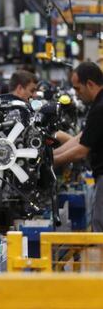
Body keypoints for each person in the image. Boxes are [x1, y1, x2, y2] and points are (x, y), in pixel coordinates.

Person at [53, 62, 103, 231]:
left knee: (100, 225)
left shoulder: (100, 108)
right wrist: (51, 153)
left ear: (90, 84)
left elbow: (81, 151)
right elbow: (82, 138)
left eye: (78, 88)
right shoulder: (98, 105)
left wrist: (51, 162)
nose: (76, 93)